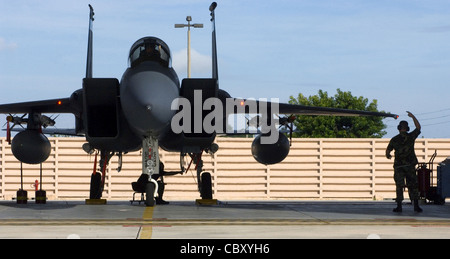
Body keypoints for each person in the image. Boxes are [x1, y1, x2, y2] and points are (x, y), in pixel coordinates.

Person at [386, 111, 422, 213]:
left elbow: (388, 151)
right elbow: (419, 127)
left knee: (399, 186)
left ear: (399, 128)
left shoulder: (394, 139)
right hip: (410, 166)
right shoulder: (411, 137)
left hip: (399, 167)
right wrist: (413, 116)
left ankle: (399, 206)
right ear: (407, 128)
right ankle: (416, 206)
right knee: (413, 186)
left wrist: (388, 155)